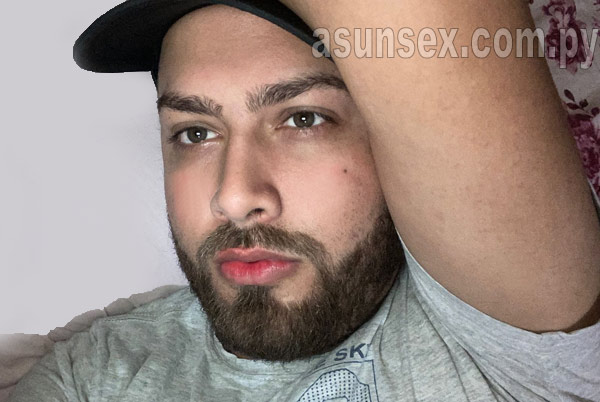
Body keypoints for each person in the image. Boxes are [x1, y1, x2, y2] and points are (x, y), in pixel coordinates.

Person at [8, 0, 600, 400]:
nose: (234, 197)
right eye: (195, 132)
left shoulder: (499, 341)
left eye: (303, 119)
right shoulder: (98, 371)